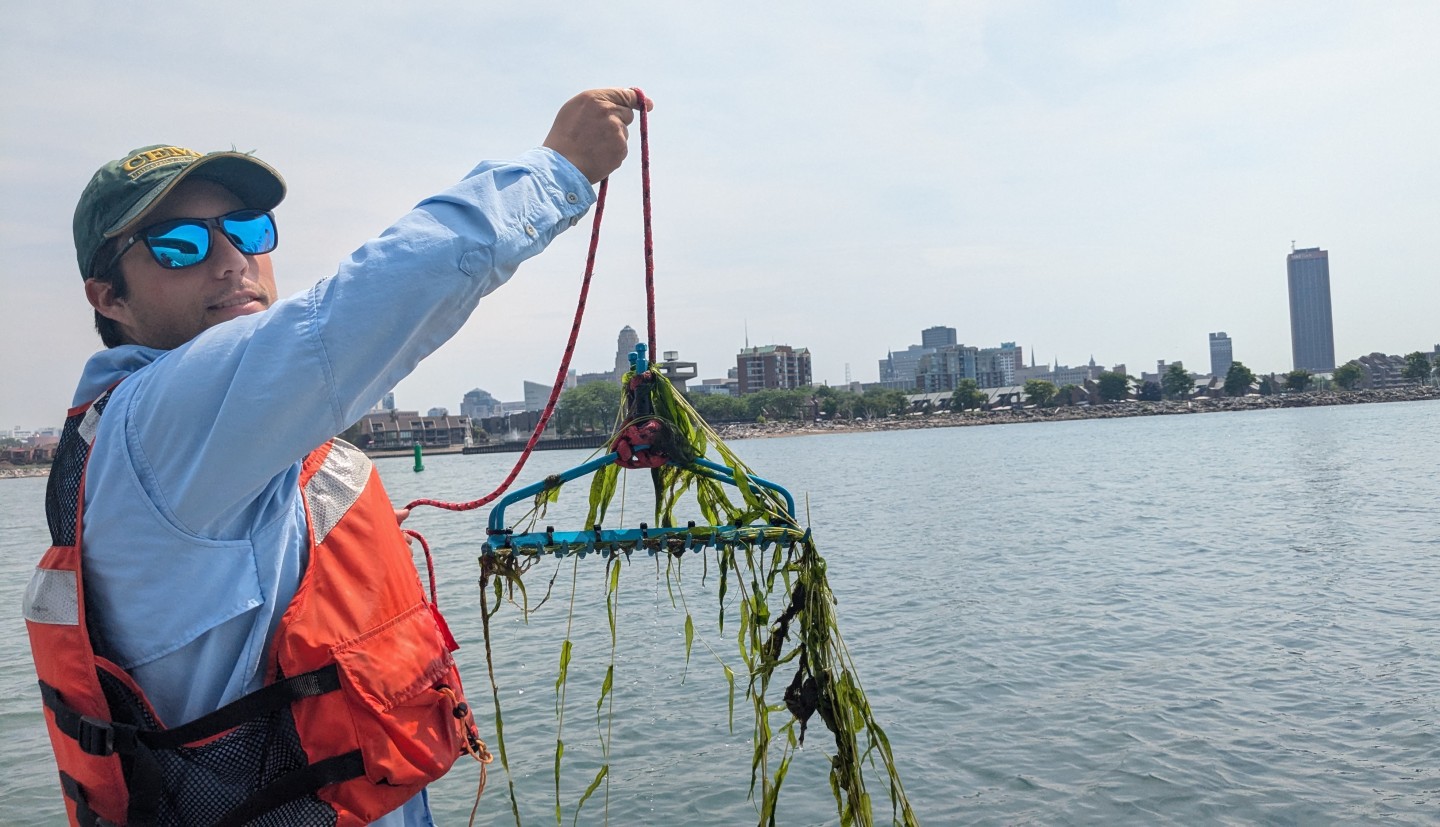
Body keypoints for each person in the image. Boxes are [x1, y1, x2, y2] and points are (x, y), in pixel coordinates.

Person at [23, 88, 651, 827]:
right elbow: (359, 307)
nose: (232, 260)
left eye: (247, 229)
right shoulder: (163, 416)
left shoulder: (155, 440)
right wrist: (558, 170)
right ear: (110, 298)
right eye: (179, 244)